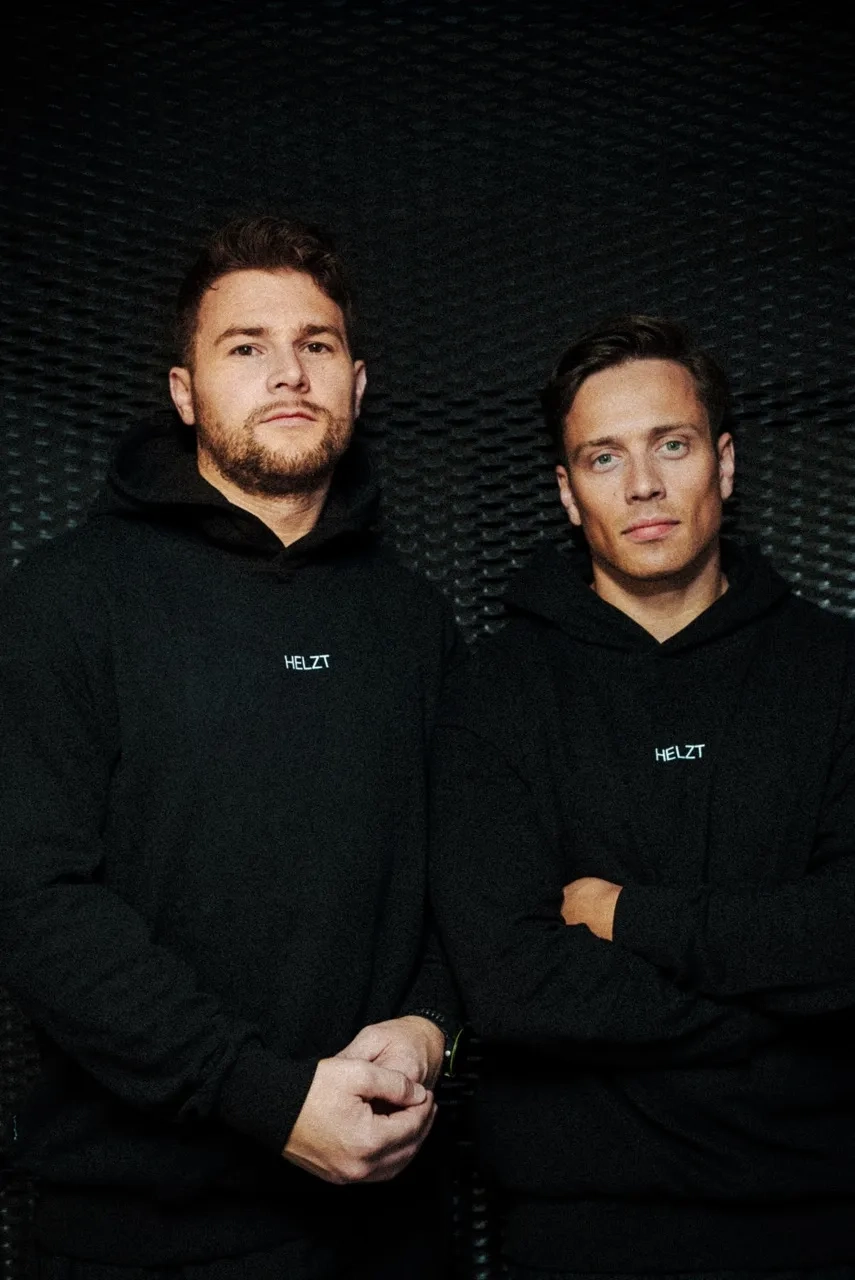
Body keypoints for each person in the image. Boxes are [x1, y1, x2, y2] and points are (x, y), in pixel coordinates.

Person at [0, 215, 462, 1280]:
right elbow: (33, 899)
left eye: (317, 344)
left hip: (388, 1231)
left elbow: (466, 876)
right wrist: (268, 1097)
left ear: (356, 383)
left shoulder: (414, 622)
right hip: (139, 1233)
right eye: (245, 346)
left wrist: (431, 1025)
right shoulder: (66, 600)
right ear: (182, 390)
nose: (287, 372)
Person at [430, 315, 855, 1278]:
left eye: (672, 444)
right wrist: (786, 1011)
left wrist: (632, 916)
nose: (645, 485)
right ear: (567, 493)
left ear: (726, 463)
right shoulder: (494, 690)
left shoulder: (835, 671)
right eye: (603, 457)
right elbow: (510, 981)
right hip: (580, 1222)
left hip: (822, 1212)